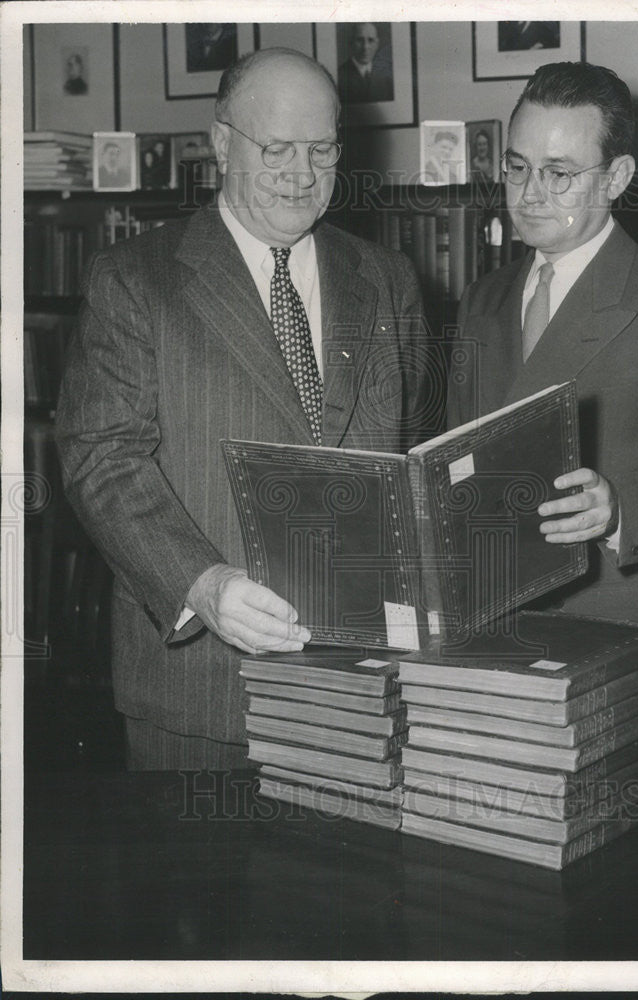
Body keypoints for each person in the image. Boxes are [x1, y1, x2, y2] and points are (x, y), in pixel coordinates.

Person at [57, 48, 432, 769]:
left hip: (361, 685)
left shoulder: (385, 278)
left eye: (321, 151)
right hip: (202, 689)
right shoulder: (136, 279)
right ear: (222, 143)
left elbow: (412, 452)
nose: (300, 174)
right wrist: (204, 582)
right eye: (277, 149)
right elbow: (102, 459)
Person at [447, 62, 638, 667]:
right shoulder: (484, 297)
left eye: (559, 173)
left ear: (617, 178)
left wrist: (617, 508)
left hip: (619, 628)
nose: (530, 193)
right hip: (488, 621)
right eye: (516, 167)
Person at [337, 22, 394, 104]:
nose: (365, 47)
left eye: (370, 40)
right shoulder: (340, 76)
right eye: (360, 40)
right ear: (351, 43)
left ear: (377, 44)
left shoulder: (386, 77)